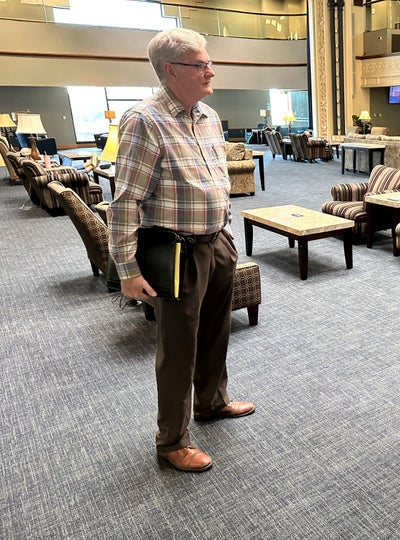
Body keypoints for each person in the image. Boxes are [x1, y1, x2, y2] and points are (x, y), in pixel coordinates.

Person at [107, 28, 254, 473]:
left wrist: (223, 233)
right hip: (178, 253)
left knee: (216, 333)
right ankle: (172, 439)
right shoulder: (144, 120)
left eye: (209, 63)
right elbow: (125, 200)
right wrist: (127, 269)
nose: (210, 71)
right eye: (200, 64)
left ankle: (211, 401)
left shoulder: (207, 115)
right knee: (178, 349)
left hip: (218, 242)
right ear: (171, 71)